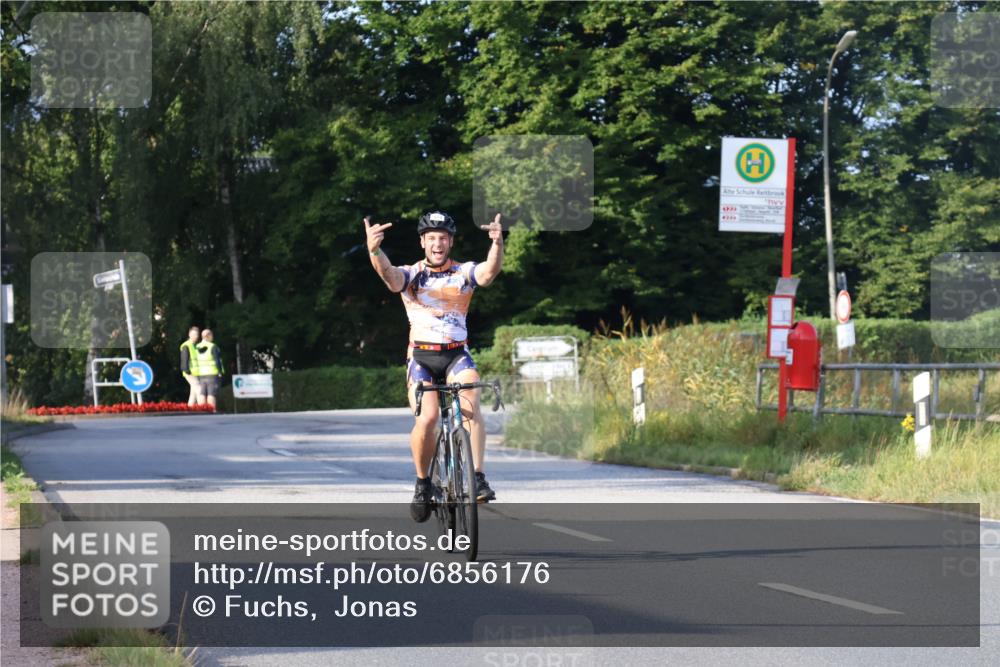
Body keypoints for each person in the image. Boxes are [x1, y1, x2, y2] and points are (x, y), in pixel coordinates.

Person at [365, 210, 504, 522]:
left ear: (450, 242)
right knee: (428, 419)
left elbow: (488, 273)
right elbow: (389, 275)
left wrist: (496, 244)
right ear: (423, 242)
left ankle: (478, 477)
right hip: (422, 359)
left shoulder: (463, 272)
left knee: (471, 401)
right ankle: (423, 483)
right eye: (432, 238)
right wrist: (375, 250)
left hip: (456, 354)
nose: (437, 243)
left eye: (443, 238)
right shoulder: (411, 274)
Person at [194, 328, 224, 410]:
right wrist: (220, 371)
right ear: (208, 336)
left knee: (203, 393)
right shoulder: (212, 346)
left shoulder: (197, 347)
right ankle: (212, 410)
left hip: (201, 374)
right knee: (211, 393)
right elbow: (217, 360)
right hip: (212, 373)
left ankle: (203, 410)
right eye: (211, 335)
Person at [179, 326, 202, 406]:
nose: (195, 336)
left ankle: (190, 408)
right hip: (189, 372)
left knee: (193, 393)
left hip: (195, 372)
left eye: (197, 334)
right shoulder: (186, 345)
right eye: (194, 334)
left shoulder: (195, 346)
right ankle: (202, 408)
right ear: (189, 334)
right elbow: (184, 359)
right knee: (199, 389)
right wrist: (186, 370)